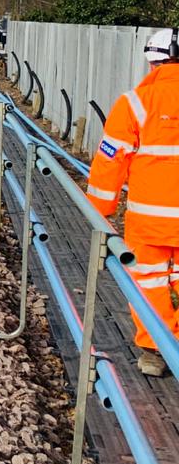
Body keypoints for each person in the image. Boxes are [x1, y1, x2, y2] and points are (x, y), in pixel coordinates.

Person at [87, 29, 179, 376]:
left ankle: (156, 350)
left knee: (150, 281)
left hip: (150, 220)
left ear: (152, 61)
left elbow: (110, 162)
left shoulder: (135, 104)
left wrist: (98, 211)